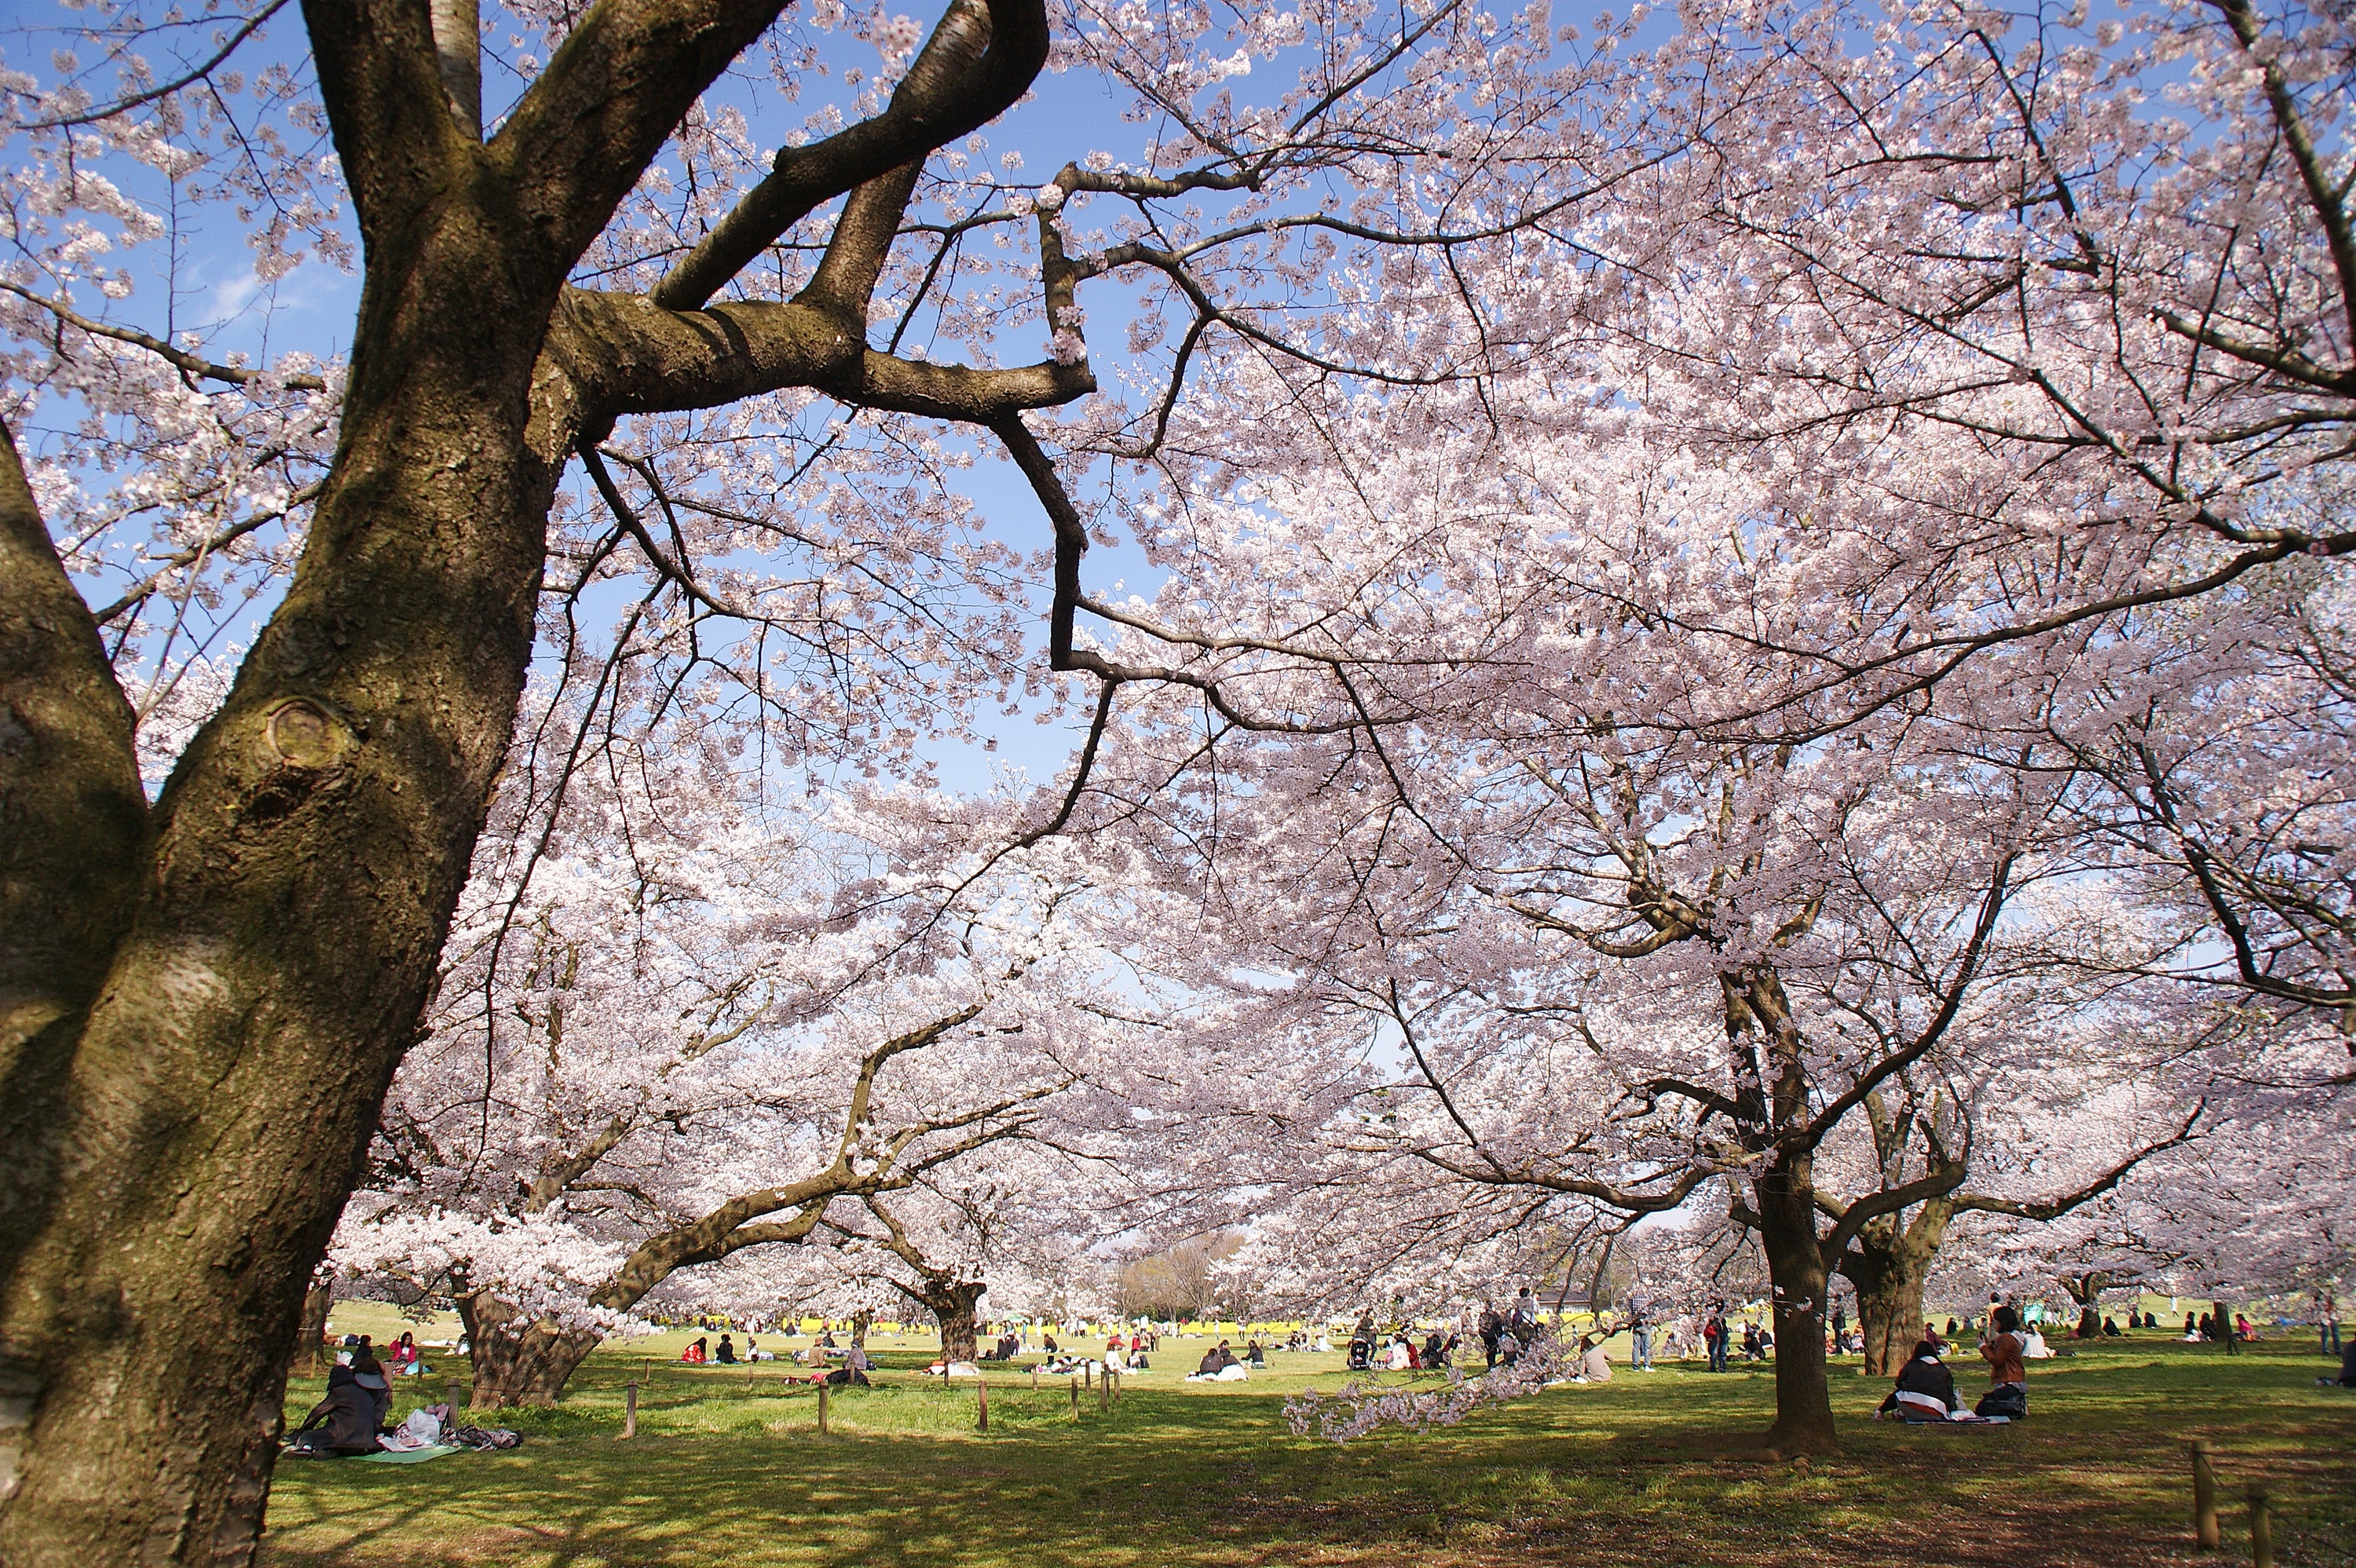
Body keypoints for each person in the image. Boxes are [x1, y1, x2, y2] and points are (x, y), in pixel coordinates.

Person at [287, 1363, 386, 1457]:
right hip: (365, 1441)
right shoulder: (366, 1394)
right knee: (341, 1443)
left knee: (310, 1435)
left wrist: (302, 1431)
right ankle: (329, 1451)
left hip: (341, 1438)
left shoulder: (339, 1392)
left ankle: (305, 1449)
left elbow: (317, 1413)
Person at [1875, 1340, 1964, 1423]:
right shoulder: (1944, 1371)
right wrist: (1954, 1412)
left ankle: (1880, 1412)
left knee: (1899, 1393)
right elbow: (1949, 1395)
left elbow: (1898, 1383)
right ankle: (1903, 1415)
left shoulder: (1912, 1364)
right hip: (1936, 1412)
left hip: (1907, 1405)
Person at [1977, 1306, 2029, 1420]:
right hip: (2014, 1380)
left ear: (2002, 1322)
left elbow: (1997, 1360)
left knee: (1983, 1409)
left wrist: (1982, 1347)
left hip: (2010, 1381)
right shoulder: (2011, 1337)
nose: (1993, 1324)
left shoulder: (2006, 1338)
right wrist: (1988, 1345)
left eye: (1995, 1321)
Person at [1478, 1302, 1505, 1370]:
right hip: (1493, 1335)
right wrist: (1501, 1333)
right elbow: (1499, 1324)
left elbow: (1480, 1325)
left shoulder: (1483, 1315)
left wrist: (1481, 1333)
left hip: (1486, 1335)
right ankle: (1492, 1363)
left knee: (1488, 1349)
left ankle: (1490, 1363)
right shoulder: (1495, 1315)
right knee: (1493, 1349)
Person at [1630, 1296, 1653, 1371]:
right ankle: (1647, 1365)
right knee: (1647, 1347)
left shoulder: (1633, 1299)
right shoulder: (1647, 1298)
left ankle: (1635, 1366)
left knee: (1636, 1346)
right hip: (1645, 1325)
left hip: (1636, 1325)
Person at [1705, 1306, 1730, 1373]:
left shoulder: (1723, 1322)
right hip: (1715, 1335)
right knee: (1714, 1353)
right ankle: (1713, 1368)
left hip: (1723, 1334)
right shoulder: (1713, 1320)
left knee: (1723, 1353)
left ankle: (1722, 1368)